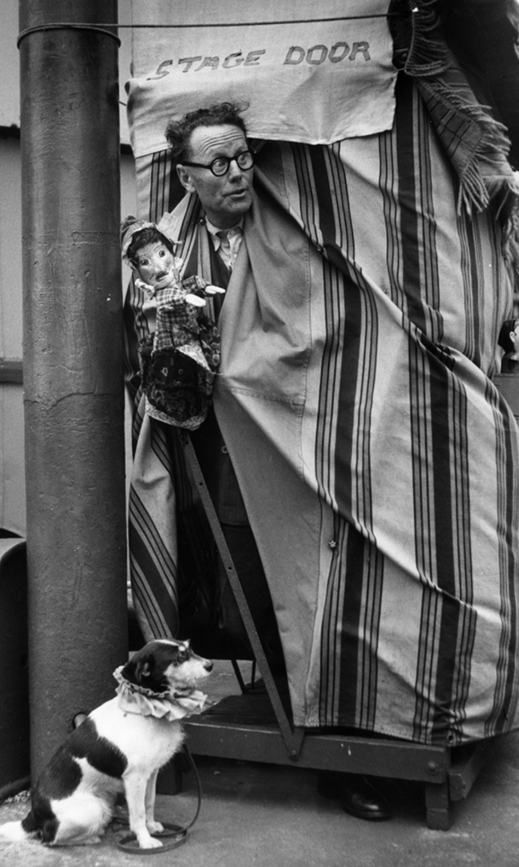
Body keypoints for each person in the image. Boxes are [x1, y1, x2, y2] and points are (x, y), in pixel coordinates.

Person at [125, 102, 392, 821]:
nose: (238, 173)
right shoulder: (162, 253)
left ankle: (336, 745)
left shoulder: (291, 227)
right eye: (218, 163)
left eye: (244, 157)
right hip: (213, 458)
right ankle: (271, 728)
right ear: (184, 177)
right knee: (240, 584)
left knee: (313, 589)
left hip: (302, 451)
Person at [120, 215, 223, 430]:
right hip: (173, 342)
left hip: (190, 331)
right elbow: (173, 297)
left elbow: (189, 285)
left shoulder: (178, 283)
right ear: (137, 269)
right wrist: (187, 298)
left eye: (161, 254)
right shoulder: (163, 295)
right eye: (145, 262)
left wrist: (204, 288)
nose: (158, 267)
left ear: (171, 251)